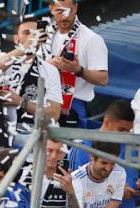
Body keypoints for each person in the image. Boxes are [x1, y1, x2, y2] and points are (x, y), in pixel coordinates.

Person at [45, 0, 108, 128]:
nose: (65, 16)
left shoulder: (91, 38)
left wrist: (78, 70)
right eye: (60, 11)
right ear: (51, 9)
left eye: (70, 11)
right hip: (43, 101)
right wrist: (46, 65)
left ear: (76, 8)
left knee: (71, 147)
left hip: (73, 104)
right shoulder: (44, 34)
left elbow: (103, 79)